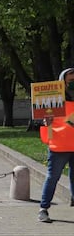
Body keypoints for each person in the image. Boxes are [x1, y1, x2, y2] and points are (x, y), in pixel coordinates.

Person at [37, 67, 74, 222]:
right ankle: (43, 209)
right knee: (53, 177)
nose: (72, 84)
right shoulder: (55, 100)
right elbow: (47, 122)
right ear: (62, 83)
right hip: (59, 146)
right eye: (70, 81)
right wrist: (47, 121)